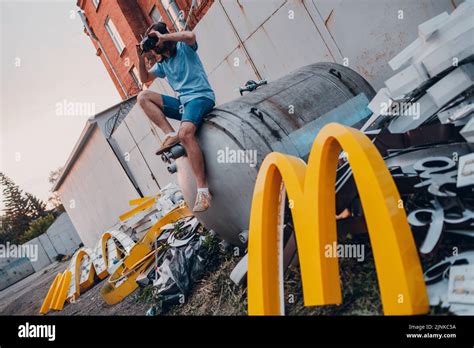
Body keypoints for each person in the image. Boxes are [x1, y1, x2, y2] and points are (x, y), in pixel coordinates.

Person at [136, 22, 215, 213]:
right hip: (183, 104)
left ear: (164, 38)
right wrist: (140, 57)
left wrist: (164, 37)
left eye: (156, 44)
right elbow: (145, 79)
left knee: (186, 134)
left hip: (200, 97)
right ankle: (169, 134)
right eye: (153, 47)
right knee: (143, 96)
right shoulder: (163, 64)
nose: (155, 50)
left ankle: (203, 190)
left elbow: (190, 35)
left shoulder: (183, 47)